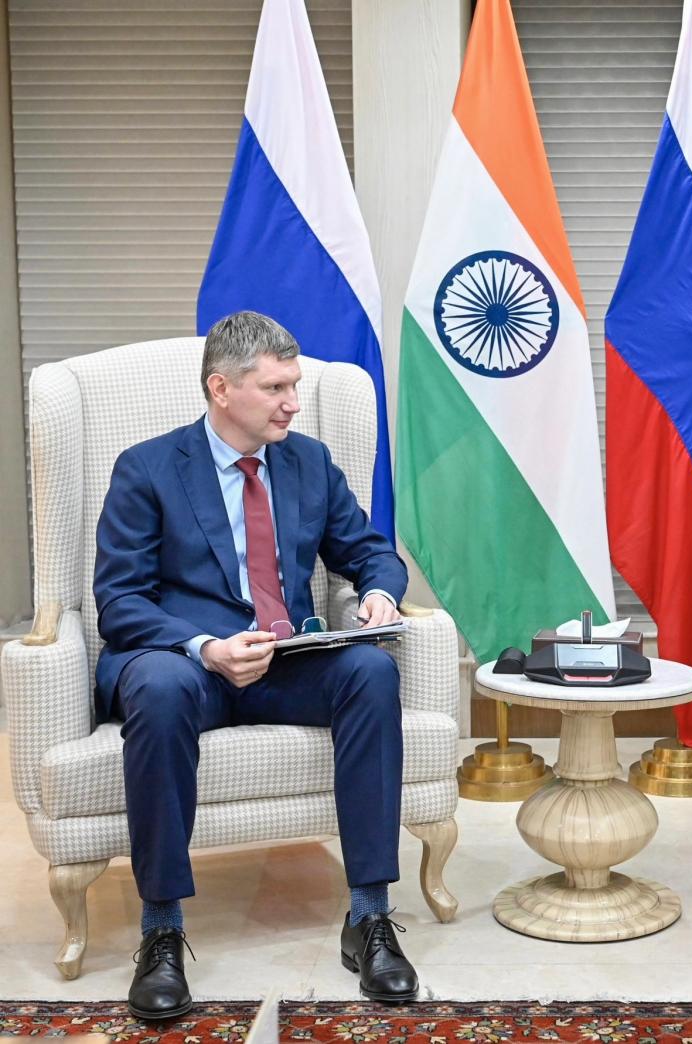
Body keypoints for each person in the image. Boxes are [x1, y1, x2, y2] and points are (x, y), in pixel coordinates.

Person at [93, 311, 418, 1018]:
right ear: (221, 388)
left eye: (293, 386)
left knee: (371, 672)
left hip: (284, 659)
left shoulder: (309, 463)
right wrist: (206, 648)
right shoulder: (147, 468)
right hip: (188, 666)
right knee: (157, 686)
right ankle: (161, 932)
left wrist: (378, 594)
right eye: (276, 388)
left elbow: (369, 550)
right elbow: (119, 601)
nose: (293, 403)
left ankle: (369, 917)